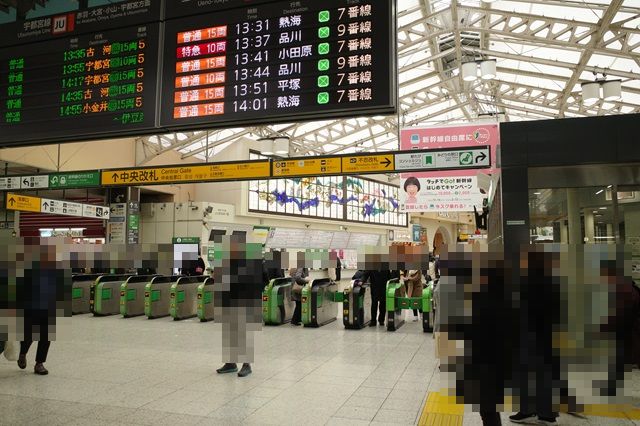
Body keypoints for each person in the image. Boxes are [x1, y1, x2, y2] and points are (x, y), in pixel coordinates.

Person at [214, 234, 263, 378]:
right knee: (230, 333)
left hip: (246, 301)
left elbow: (261, 279)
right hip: (230, 301)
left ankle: (246, 365)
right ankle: (231, 363)